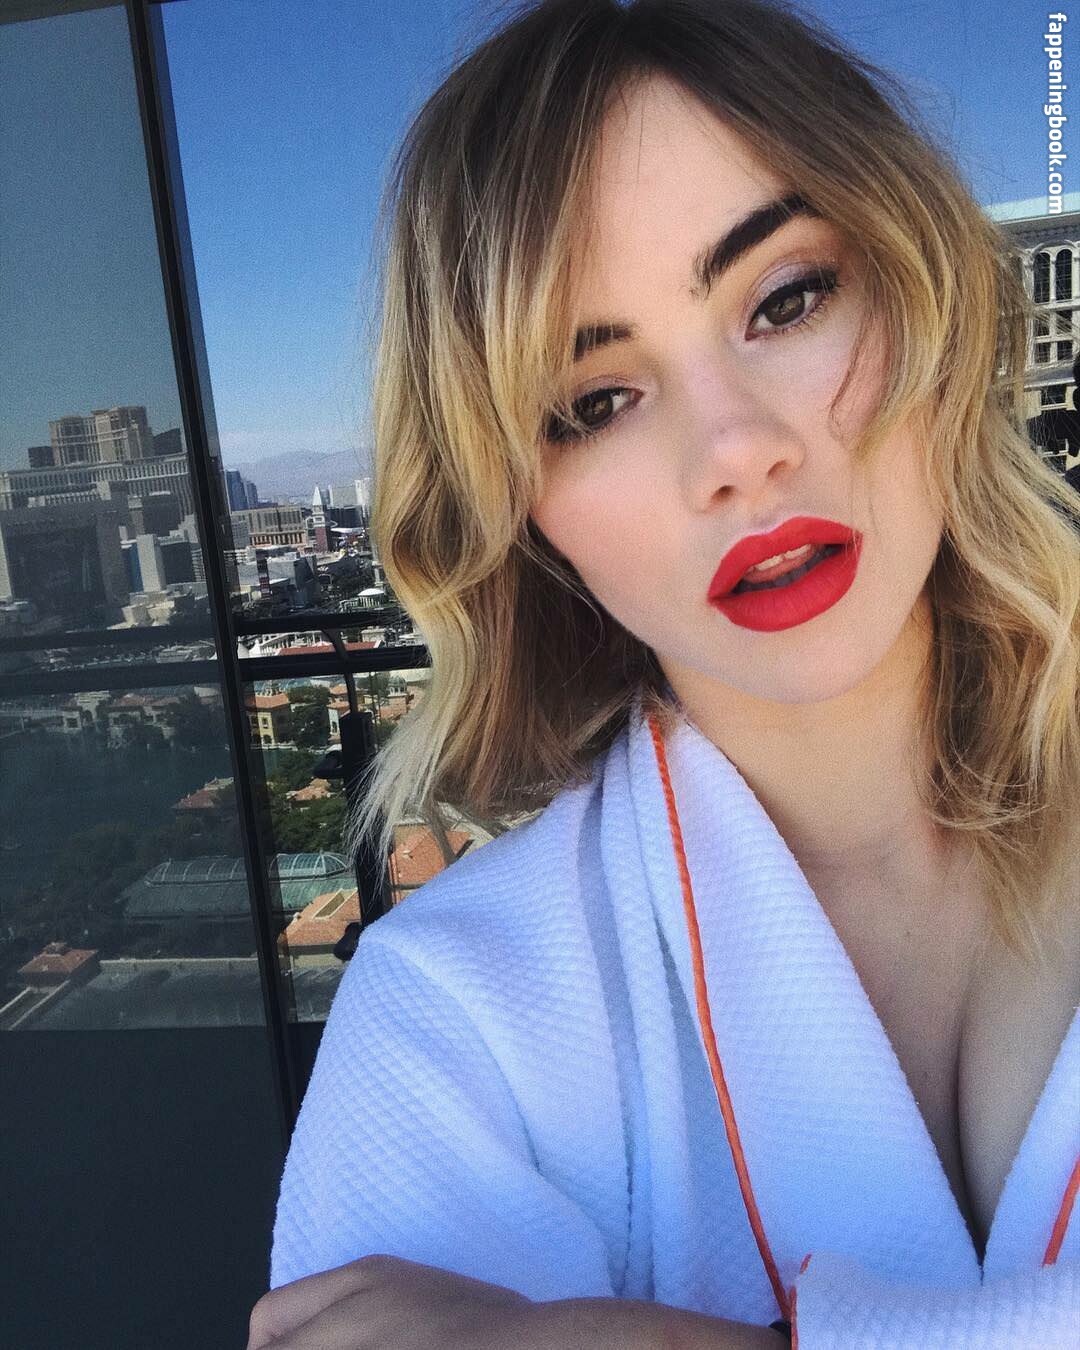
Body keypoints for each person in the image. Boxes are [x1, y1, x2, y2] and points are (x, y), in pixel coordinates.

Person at [249, 1, 1080, 1345]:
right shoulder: (453, 1025)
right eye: (594, 402)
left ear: (922, 290)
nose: (736, 451)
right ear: (527, 507)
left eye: (787, 299)